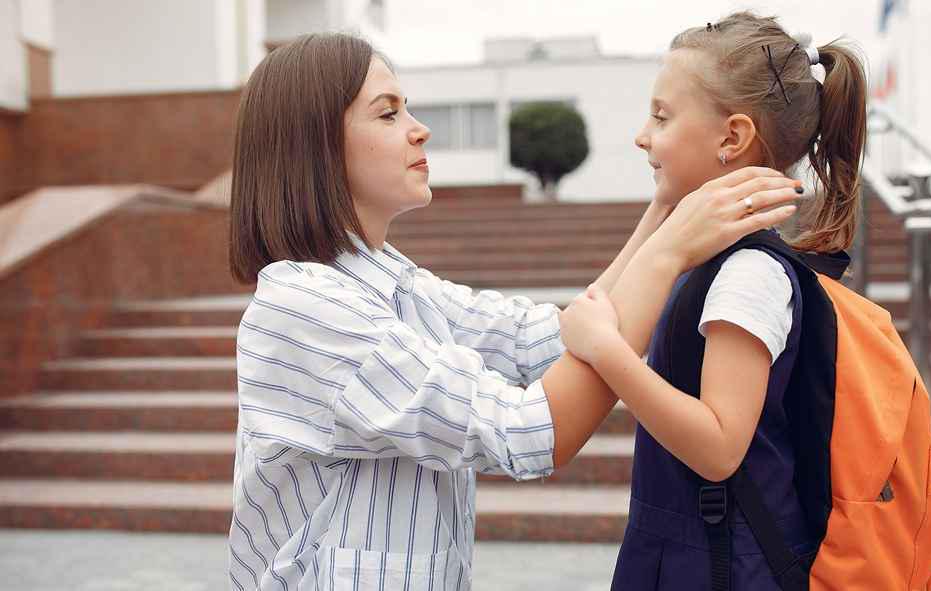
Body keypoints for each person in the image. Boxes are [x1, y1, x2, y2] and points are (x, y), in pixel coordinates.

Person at [224, 31, 800, 590]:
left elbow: (546, 341)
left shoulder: (398, 284)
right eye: (388, 113)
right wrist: (669, 251)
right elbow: (526, 431)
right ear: (316, 144)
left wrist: (664, 213)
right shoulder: (304, 310)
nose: (419, 131)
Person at [558, 11, 867, 590]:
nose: (642, 135)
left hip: (723, 564)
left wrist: (607, 352)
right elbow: (606, 304)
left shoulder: (748, 275)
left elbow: (720, 446)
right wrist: (662, 209)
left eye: (662, 116)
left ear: (733, 137)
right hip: (693, 554)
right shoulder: (707, 259)